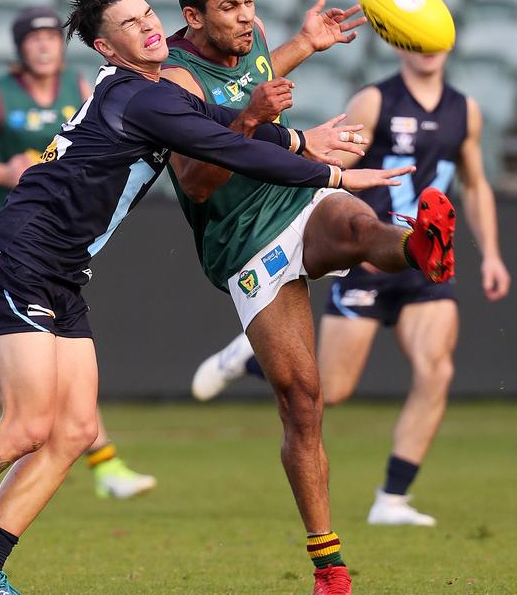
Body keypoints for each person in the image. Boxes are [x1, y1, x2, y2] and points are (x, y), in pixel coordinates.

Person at [0, 0, 415, 595]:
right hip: (18, 255)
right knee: (26, 426)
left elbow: (224, 122)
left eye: (146, 13)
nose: (148, 26)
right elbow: (223, 146)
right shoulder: (137, 96)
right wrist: (331, 170)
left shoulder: (158, 93)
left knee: (74, 433)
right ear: (107, 49)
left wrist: (291, 134)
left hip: (63, 271)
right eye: (129, 24)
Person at [158, 0, 453, 592]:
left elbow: (257, 72)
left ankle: (419, 245)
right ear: (193, 16)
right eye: (230, 7)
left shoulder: (253, 38)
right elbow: (198, 182)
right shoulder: (175, 82)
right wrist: (256, 118)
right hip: (240, 241)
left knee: (358, 228)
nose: (246, 16)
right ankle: (330, 567)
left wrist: (304, 44)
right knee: (303, 402)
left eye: (250, 0)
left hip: (294, 192)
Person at [190, 45, 511, 528]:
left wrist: (491, 254)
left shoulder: (464, 109)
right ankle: (250, 356)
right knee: (331, 390)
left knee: (436, 370)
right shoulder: (375, 100)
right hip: (370, 250)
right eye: (417, 40)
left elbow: (476, 182)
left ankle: (392, 498)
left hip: (427, 254)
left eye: (435, 40)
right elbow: (337, 155)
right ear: (401, 40)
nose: (427, 50)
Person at [0, 5, 156, 500]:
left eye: (50, 38)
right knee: (44, 372)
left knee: (37, 360)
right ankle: (107, 464)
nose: (43, 46)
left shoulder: (84, 88)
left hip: (64, 235)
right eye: (32, 39)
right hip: (16, 233)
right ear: (19, 49)